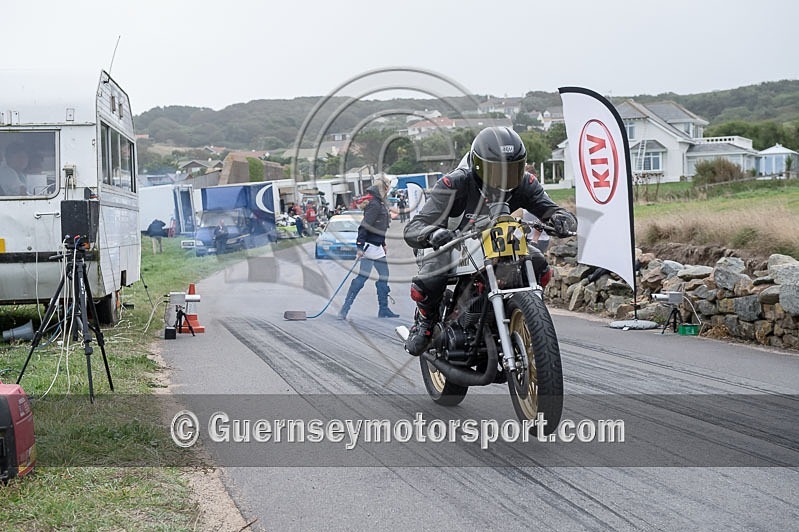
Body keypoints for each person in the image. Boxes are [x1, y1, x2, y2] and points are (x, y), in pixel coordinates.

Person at [402, 126, 577, 356]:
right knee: (434, 271)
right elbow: (414, 227)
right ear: (478, 166)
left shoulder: (525, 183)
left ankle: (525, 314)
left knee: (537, 262)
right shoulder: (454, 184)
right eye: (496, 171)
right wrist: (432, 233)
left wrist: (561, 219)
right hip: (450, 241)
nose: (504, 180)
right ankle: (425, 322)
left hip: (493, 241)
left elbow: (550, 208)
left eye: (512, 170)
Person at [338, 175, 399, 320]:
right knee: (362, 278)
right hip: (369, 247)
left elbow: (380, 226)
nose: (388, 190)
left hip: (377, 246)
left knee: (383, 275)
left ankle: (383, 309)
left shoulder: (379, 203)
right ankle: (345, 309)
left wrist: (383, 243)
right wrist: (359, 246)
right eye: (386, 188)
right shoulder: (374, 204)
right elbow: (365, 226)